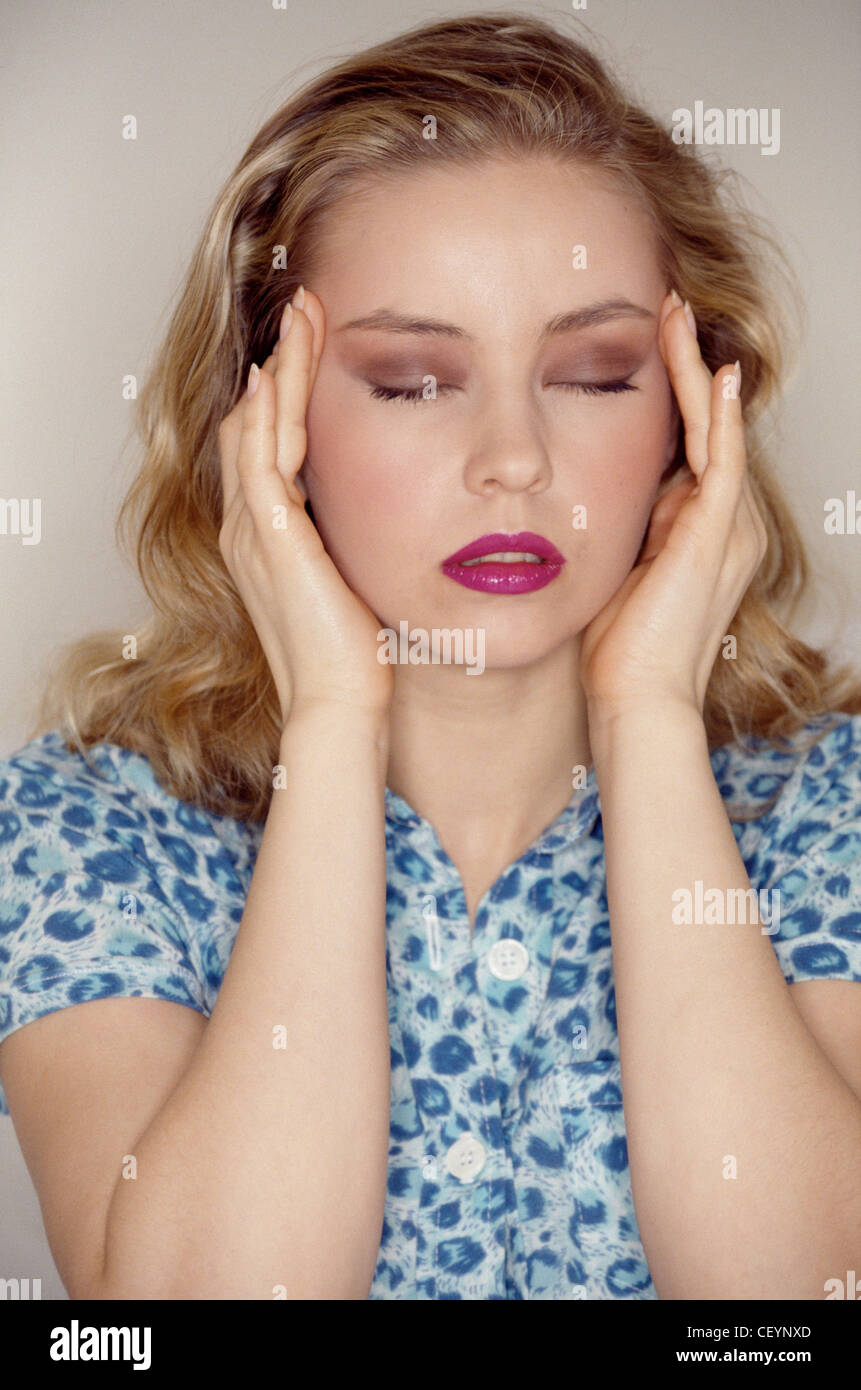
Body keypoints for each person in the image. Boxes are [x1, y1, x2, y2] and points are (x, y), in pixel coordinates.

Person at [1, 11, 860, 1301]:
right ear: (264, 425)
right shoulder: (90, 834)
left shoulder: (828, 806)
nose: (512, 458)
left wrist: (649, 718)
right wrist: (334, 717)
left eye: (595, 373)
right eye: (410, 380)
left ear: (695, 417)